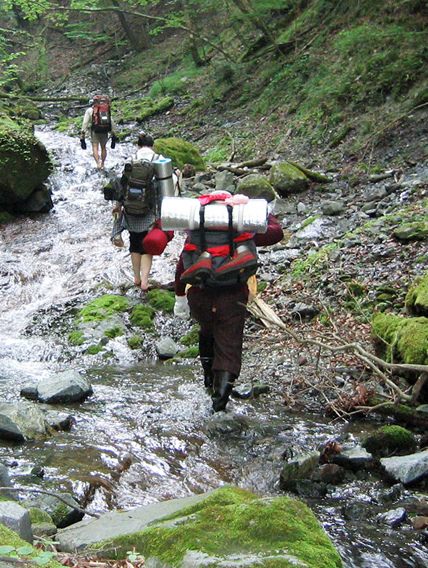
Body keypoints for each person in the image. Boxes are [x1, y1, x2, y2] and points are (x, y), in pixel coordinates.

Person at [173, 192, 283, 412]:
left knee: (207, 330)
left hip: (200, 295)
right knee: (229, 346)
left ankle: (208, 380)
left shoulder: (196, 229)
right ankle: (219, 402)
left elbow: (182, 266)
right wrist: (266, 214)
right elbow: (276, 234)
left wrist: (180, 298)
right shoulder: (243, 228)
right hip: (232, 296)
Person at [111, 132, 162, 290]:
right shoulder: (158, 159)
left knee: (134, 242)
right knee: (147, 243)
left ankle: (136, 278)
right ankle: (146, 280)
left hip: (131, 206)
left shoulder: (131, 159)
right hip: (149, 207)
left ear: (138, 146)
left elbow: (122, 183)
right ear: (152, 146)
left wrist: (118, 204)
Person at [80, 94, 117, 170]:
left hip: (95, 131)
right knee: (103, 147)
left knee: (95, 147)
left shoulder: (90, 110)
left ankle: (98, 164)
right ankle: (103, 163)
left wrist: (83, 132)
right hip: (105, 130)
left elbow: (85, 122)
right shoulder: (106, 110)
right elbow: (111, 121)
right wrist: (113, 131)